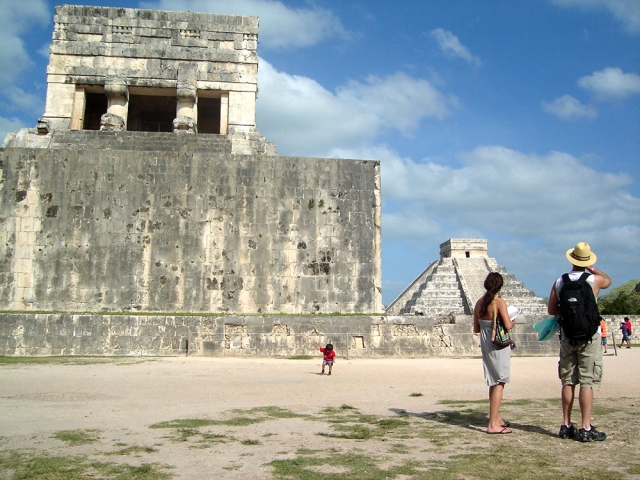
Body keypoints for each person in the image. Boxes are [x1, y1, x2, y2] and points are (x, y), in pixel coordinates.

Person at [548, 242, 611, 442]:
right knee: (587, 381)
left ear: (572, 259)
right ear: (588, 260)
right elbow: (609, 280)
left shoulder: (560, 281)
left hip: (568, 335)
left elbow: (551, 310)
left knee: (567, 380)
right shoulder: (595, 280)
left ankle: (566, 425)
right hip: (589, 336)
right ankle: (585, 426)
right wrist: (591, 268)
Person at [473, 272, 516, 434]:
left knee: (493, 380)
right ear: (500, 285)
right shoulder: (499, 302)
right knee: (499, 381)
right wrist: (513, 320)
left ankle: (496, 418)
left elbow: (476, 329)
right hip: (498, 344)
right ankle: (493, 425)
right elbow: (508, 325)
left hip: (485, 343)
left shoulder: (479, 303)